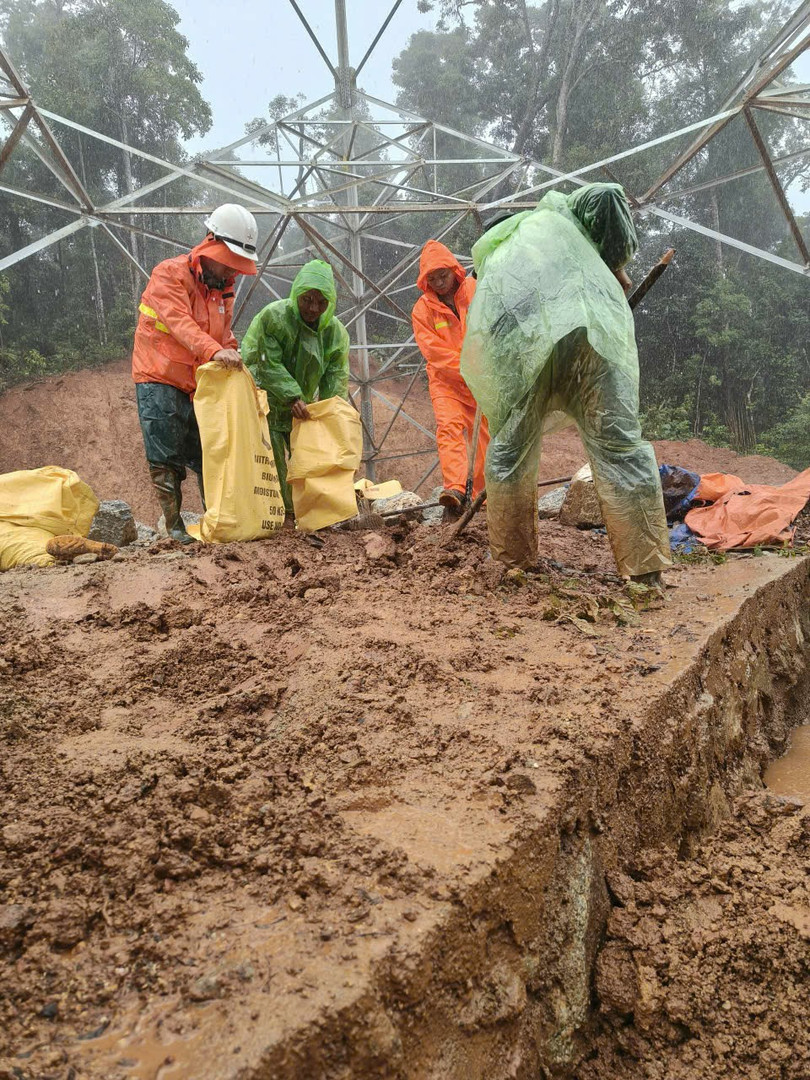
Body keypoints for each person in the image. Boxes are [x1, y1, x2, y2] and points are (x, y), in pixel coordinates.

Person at [460, 183, 671, 585]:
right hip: (591, 334)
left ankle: (513, 565)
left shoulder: (493, 263)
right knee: (619, 446)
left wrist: (506, 409)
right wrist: (615, 263)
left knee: (509, 452)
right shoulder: (557, 214)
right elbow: (607, 194)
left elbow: (489, 343)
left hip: (528, 353)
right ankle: (646, 573)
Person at [132, 203, 258, 543]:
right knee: (165, 452)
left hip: (197, 381)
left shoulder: (223, 289)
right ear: (210, 246)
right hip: (159, 374)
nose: (233, 272)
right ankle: (174, 528)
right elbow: (180, 324)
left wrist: (233, 353)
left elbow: (222, 334)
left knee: (208, 450)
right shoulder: (169, 274)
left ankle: (214, 520)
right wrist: (215, 351)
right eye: (229, 263)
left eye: (237, 266)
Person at [241, 259, 350, 517]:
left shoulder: (334, 333)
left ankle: (314, 513)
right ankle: (282, 517)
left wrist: (329, 412)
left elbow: (335, 378)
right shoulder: (275, 318)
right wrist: (292, 395)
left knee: (309, 462)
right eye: (307, 300)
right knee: (272, 464)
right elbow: (267, 363)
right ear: (296, 294)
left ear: (330, 303)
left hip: (302, 408)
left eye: (321, 303)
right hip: (266, 402)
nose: (313, 308)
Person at [412, 240, 489, 518]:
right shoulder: (423, 310)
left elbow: (490, 327)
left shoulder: (476, 291)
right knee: (449, 427)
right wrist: (466, 368)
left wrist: (482, 367)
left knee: (483, 437)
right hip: (446, 382)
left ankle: (481, 495)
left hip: (480, 378)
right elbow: (434, 351)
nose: (439, 283)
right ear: (425, 280)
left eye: (442, 276)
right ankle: (455, 489)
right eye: (432, 279)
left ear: (454, 270)